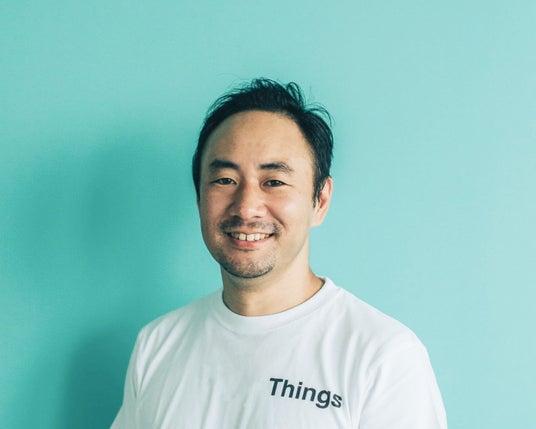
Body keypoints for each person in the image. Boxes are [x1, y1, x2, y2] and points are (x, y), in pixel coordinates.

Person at [111, 78, 447, 428]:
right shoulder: (157, 345)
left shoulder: (383, 358)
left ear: (320, 200)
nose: (246, 207)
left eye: (274, 182)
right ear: (199, 197)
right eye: (225, 180)